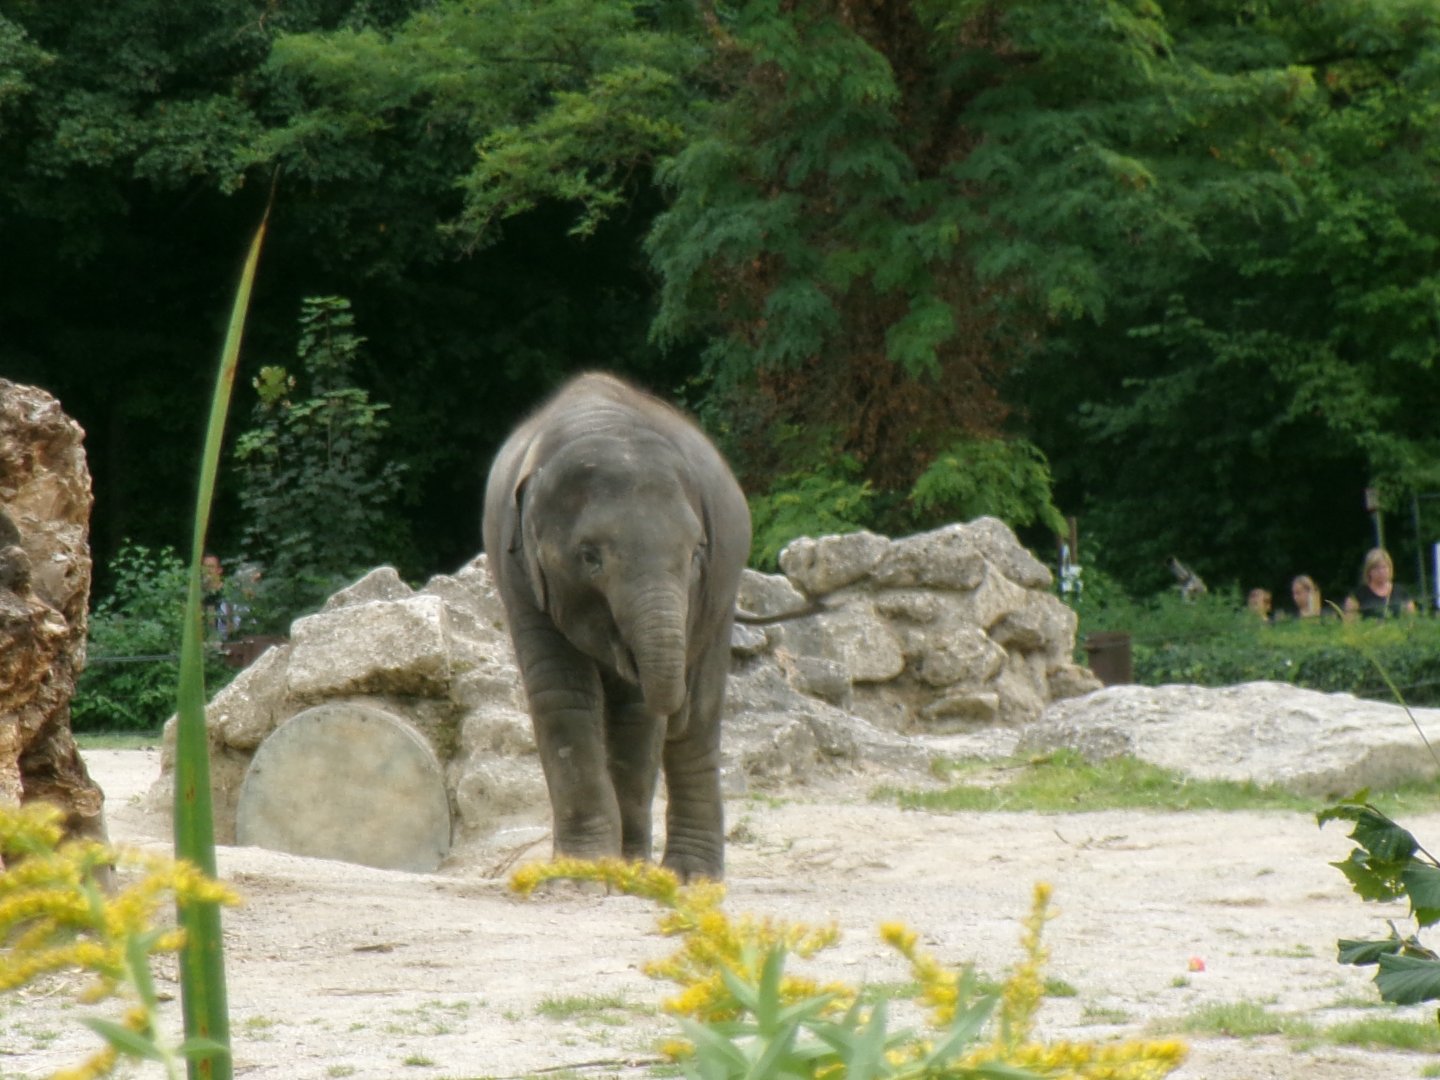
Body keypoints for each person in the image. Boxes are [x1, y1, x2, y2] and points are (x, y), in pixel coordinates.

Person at [1344, 547, 1417, 619]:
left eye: (1384, 567)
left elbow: (1412, 619)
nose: (1381, 572)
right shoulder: (1357, 596)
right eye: (1376, 568)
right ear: (1368, 571)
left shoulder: (1401, 592)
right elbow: (1349, 623)